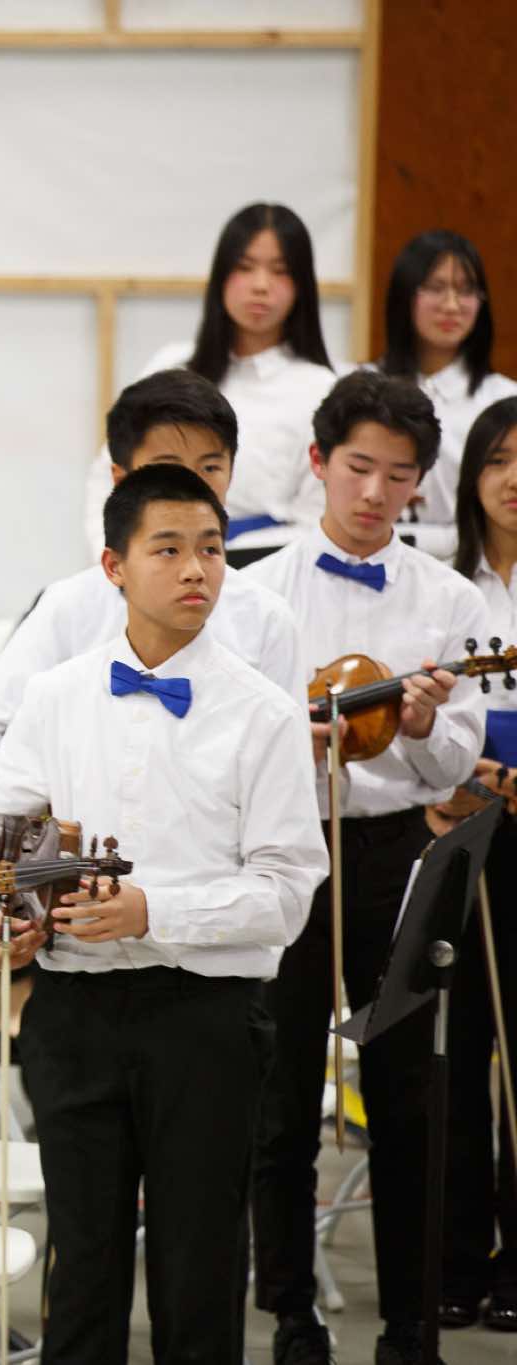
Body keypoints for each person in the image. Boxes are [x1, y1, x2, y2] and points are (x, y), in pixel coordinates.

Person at [0, 463, 326, 1362]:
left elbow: (287, 891)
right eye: (169, 549)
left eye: (212, 549)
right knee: (82, 1269)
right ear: (114, 565)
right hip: (72, 1011)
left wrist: (155, 909)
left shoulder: (264, 713)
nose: (197, 569)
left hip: (207, 1020)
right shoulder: (57, 695)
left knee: (199, 1270)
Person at [246, 370, 489, 1365]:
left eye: (397, 475)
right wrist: (284, 741)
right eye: (356, 467)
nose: (374, 493)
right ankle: (290, 1315)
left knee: (404, 1096)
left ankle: (410, 1325)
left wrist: (425, 725)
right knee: (280, 1096)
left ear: (420, 483)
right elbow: (229, 744)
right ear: (317, 463)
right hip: (287, 851)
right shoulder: (254, 593)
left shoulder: (448, 598)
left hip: (396, 850)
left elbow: (454, 763)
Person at [0, 368, 304, 799]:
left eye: (210, 467)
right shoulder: (71, 605)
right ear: (120, 479)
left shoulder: (266, 618)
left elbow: (289, 778)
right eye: (166, 468)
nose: (191, 487)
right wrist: (41, 808)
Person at [78, 202, 338, 550]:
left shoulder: (320, 389)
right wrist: (118, 562)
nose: (261, 285)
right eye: (245, 267)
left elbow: (317, 517)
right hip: (154, 558)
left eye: (280, 271)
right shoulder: (173, 365)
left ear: (302, 284)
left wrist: (225, 562)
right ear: (221, 274)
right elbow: (108, 474)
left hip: (264, 565)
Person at [433, 397, 517, 1331]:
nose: (513, 478)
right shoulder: (442, 585)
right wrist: (461, 772)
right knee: (455, 1052)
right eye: (497, 459)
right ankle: (453, 1258)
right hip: (456, 825)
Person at [373, 229, 517, 527]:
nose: (451, 305)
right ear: (405, 294)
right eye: (435, 288)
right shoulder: (365, 389)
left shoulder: (504, 400)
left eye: (466, 290)